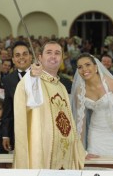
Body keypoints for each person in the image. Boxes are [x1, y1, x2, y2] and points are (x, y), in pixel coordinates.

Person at [14, 41, 85, 169]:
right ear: (40, 57)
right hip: (43, 152)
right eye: (49, 52)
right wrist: (31, 75)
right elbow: (26, 92)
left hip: (65, 154)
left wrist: (78, 148)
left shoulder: (62, 87)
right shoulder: (34, 81)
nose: (53, 56)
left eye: (57, 53)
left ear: (62, 58)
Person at [2, 41, 33, 151]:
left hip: (39, 128)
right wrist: (6, 134)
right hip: (18, 130)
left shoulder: (41, 76)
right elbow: (8, 110)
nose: (22, 58)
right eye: (17, 55)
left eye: (25, 54)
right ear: (13, 60)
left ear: (30, 57)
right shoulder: (8, 80)